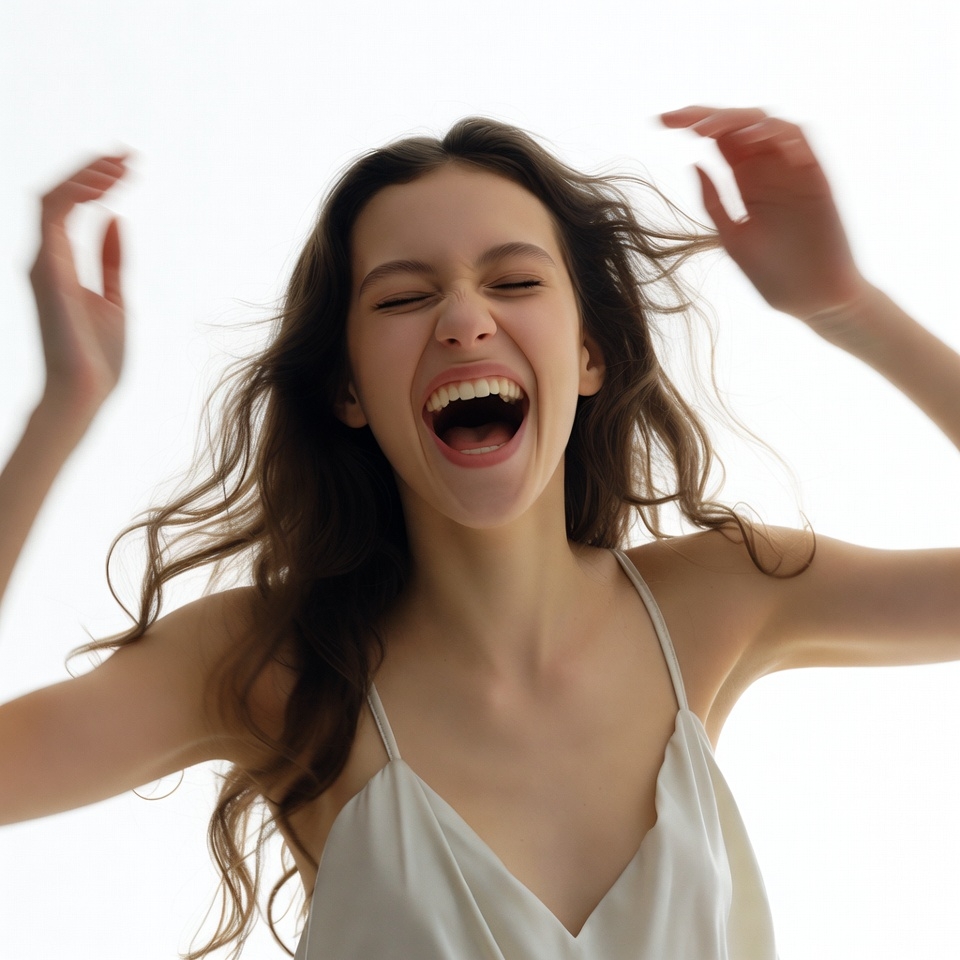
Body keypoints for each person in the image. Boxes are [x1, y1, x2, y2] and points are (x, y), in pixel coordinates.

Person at [2, 105, 958, 959]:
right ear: (347, 390)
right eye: (403, 297)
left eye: (514, 282)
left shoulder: (723, 598)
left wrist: (849, 311)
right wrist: (62, 412)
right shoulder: (269, 666)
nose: (464, 320)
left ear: (588, 355)